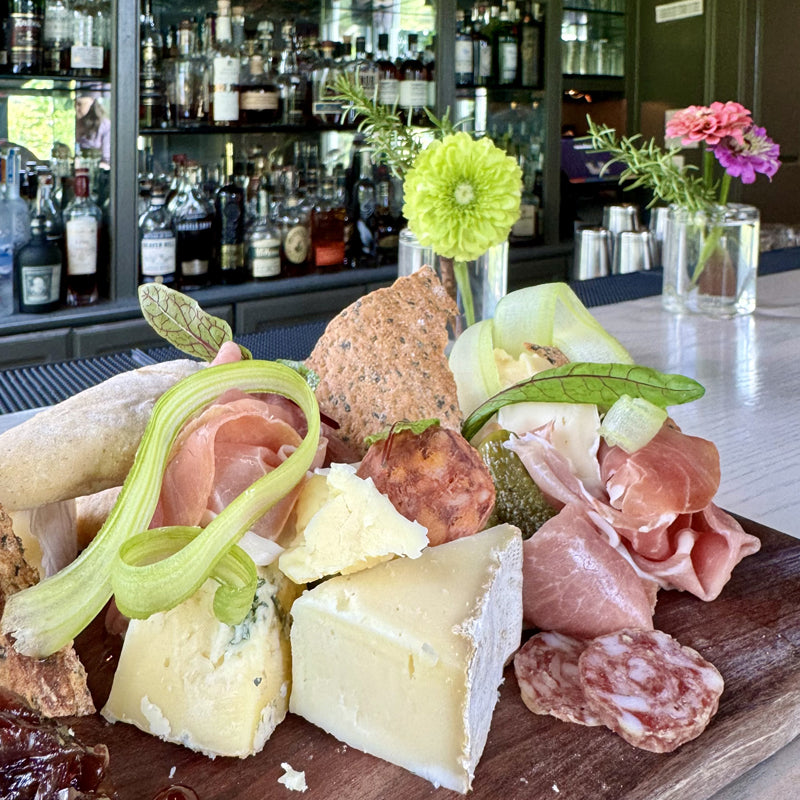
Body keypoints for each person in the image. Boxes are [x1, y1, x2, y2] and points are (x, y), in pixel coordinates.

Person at [75, 95, 111, 167]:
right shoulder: (71, 122)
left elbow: (107, 162)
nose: (76, 108)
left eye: (79, 104)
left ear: (91, 101)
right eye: (74, 104)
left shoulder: (104, 125)